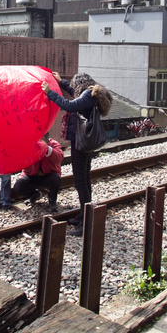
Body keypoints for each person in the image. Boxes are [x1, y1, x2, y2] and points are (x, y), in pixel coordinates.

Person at [42, 72, 112, 236]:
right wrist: (61, 82)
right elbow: (75, 96)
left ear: (80, 83)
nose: (73, 88)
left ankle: (86, 222)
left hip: (81, 143)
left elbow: (70, 105)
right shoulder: (89, 92)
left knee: (80, 181)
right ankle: (84, 214)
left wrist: (49, 93)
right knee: (85, 178)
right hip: (83, 141)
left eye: (74, 85)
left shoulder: (87, 94)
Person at [12, 131, 63, 213]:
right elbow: (24, 165)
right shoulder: (30, 145)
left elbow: (59, 157)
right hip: (33, 176)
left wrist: (47, 149)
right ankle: (34, 195)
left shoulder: (53, 144)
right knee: (18, 186)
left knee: (56, 179)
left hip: (48, 176)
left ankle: (52, 200)